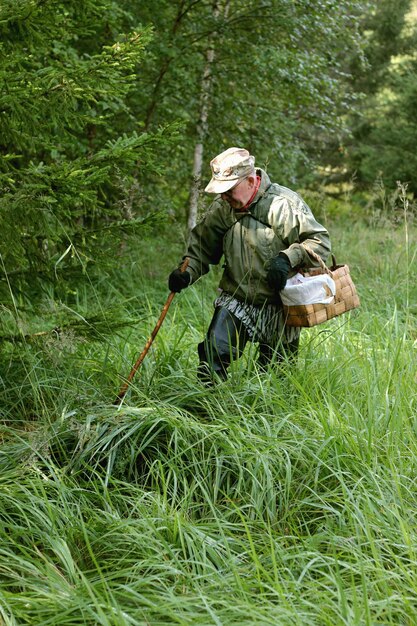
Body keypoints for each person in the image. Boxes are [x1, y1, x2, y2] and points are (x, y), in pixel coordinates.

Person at [168, 147, 331, 382]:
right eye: (221, 190)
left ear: (251, 180)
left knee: (276, 377)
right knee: (213, 352)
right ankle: (207, 410)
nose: (224, 196)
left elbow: (320, 243)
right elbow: (201, 250)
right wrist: (186, 272)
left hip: (281, 304)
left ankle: (265, 416)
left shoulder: (283, 205)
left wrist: (287, 258)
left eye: (229, 190)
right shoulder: (223, 210)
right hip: (237, 298)